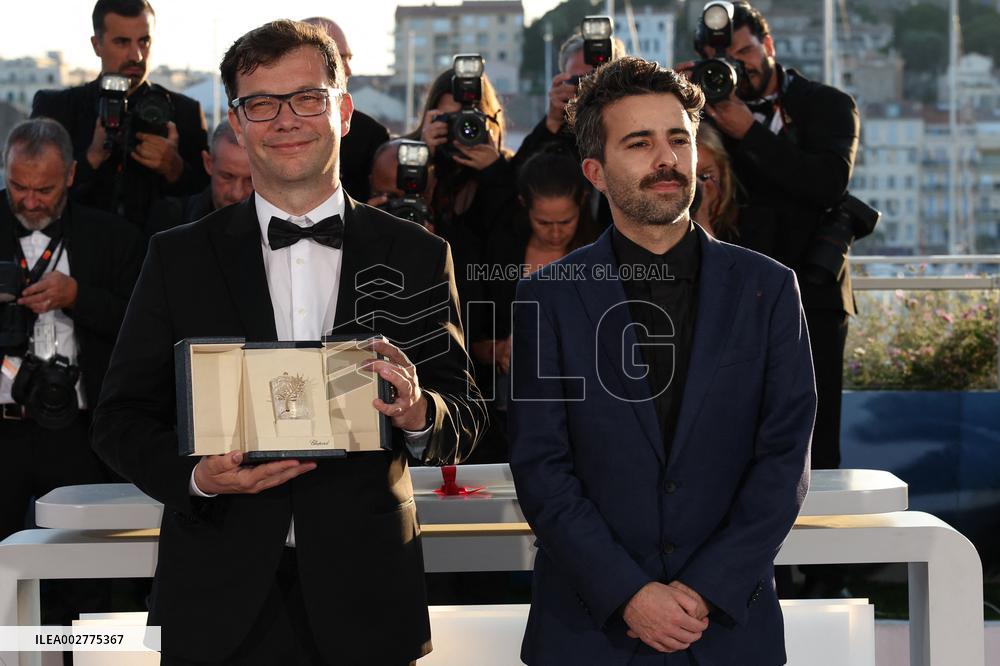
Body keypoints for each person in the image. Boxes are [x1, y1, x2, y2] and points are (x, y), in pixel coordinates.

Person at [92, 20, 485, 666]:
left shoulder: (418, 255)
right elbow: (117, 420)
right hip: (215, 601)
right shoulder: (178, 258)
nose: (286, 120)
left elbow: (464, 414)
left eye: (307, 97)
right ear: (237, 123)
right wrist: (198, 476)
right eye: (262, 104)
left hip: (369, 599)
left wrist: (418, 413)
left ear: (344, 110)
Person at [508, 57, 815, 664]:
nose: (666, 159)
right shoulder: (545, 296)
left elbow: (784, 460)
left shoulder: (771, 288)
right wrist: (629, 593)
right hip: (588, 634)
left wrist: (706, 589)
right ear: (595, 171)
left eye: (679, 139)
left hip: (727, 630)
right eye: (640, 143)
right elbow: (541, 468)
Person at [682, 0, 858, 474]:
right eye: (726, 59)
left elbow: (828, 183)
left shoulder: (827, 105)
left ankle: (820, 540)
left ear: (770, 45)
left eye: (747, 51)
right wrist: (675, 98)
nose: (740, 66)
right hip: (737, 291)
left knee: (815, 435)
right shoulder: (700, 112)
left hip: (814, 291)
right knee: (740, 429)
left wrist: (750, 132)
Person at [0, 118, 143, 542]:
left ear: (71, 175)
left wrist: (78, 297)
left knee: (82, 566)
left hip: (79, 432)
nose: (28, 202)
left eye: (43, 190)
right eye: (17, 187)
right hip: (2, 428)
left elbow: (140, 329)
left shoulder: (113, 237)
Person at [31, 0, 209, 229]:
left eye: (144, 42)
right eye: (122, 42)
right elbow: (32, 192)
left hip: (158, 259)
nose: (136, 55)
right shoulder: (57, 108)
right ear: (97, 45)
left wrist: (175, 169)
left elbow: (211, 201)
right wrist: (89, 160)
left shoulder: (185, 112)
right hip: (76, 257)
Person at [303, 16, 390, 203]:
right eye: (339, 57)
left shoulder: (371, 135)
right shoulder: (259, 127)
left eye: (348, 58)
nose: (348, 70)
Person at [145, 122, 253, 235]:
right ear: (208, 163)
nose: (237, 194)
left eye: (251, 180)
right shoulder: (169, 221)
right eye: (227, 177)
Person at [692, 123, 741, 242]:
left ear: (722, 172)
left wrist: (701, 218)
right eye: (690, 175)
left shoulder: (755, 223)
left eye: (705, 175)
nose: (698, 185)